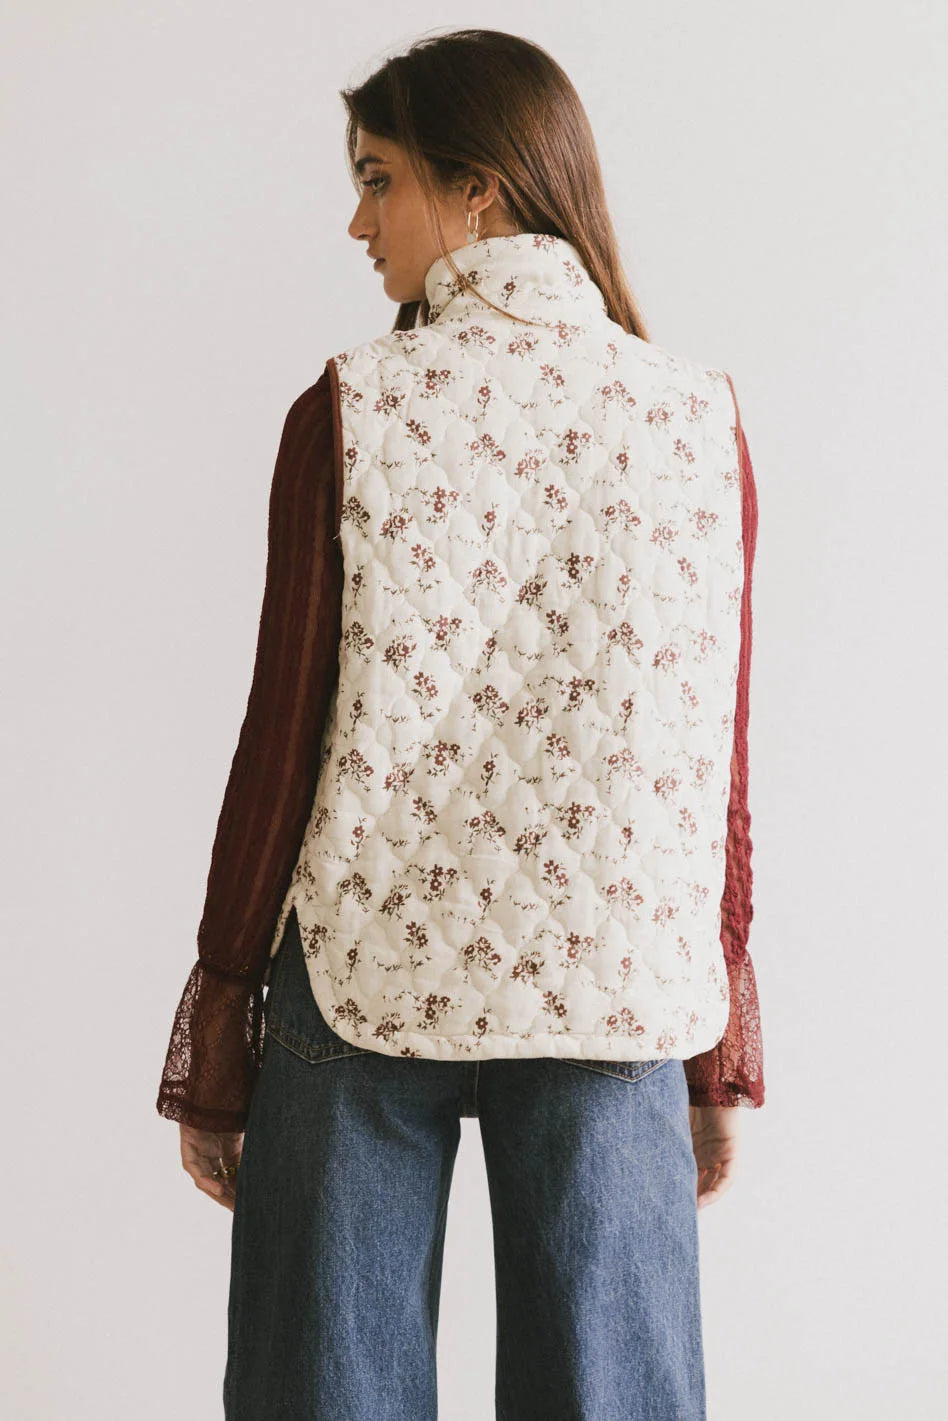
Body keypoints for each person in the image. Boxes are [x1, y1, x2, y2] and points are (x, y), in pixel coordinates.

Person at [156, 28, 764, 1421]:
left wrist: (222, 1011)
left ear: (478, 187)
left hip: (362, 975)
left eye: (379, 178)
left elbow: (281, 743)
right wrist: (720, 1037)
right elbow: (712, 757)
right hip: (617, 985)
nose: (358, 221)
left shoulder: (349, 411)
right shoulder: (695, 418)